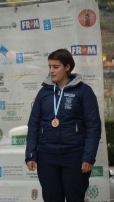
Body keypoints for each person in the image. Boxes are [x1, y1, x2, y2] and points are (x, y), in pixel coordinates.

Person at [25, 48, 101, 202]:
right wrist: (31, 154)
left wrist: (88, 157)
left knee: (75, 198)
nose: (51, 71)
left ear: (67, 67)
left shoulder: (84, 92)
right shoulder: (43, 92)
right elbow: (33, 124)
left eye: (55, 67)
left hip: (74, 156)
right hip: (47, 157)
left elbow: (93, 126)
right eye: (49, 66)